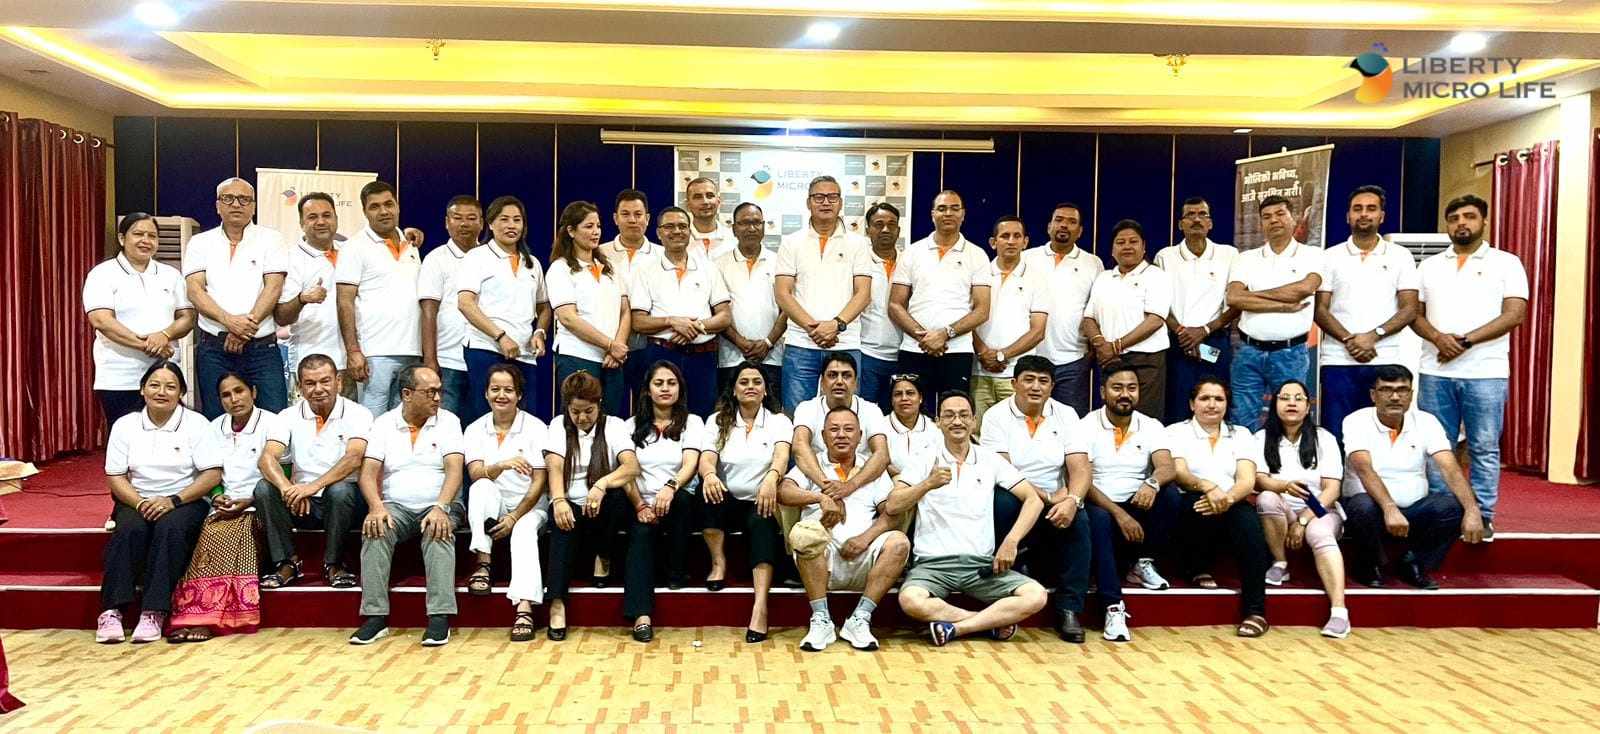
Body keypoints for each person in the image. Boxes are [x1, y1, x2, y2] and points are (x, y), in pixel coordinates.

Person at [890, 390, 1049, 646]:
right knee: (910, 600)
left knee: (1036, 595)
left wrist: (1011, 542)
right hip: (932, 565)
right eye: (949, 415)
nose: (957, 421)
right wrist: (927, 484)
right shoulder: (924, 458)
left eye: (964, 415)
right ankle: (989, 623)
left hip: (981, 566)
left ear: (974, 421)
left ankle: (957, 629)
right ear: (938, 422)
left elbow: (1034, 500)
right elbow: (893, 504)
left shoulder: (989, 459)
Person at [1411, 194, 1528, 541]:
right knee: (1437, 446)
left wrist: (1464, 342)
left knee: (1484, 446)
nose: (1462, 223)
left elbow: (1514, 314)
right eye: (1454, 218)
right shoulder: (1429, 266)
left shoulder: (1507, 263)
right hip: (1435, 370)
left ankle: (1484, 514)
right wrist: (1438, 338)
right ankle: (1443, 512)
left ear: (1484, 221)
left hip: (1486, 372)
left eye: (1469, 216)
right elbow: (1414, 313)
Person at [97, 362, 223, 644]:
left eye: (170, 387)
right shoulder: (126, 425)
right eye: (154, 385)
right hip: (137, 498)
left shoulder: (197, 424)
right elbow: (115, 477)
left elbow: (212, 474)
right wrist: (141, 503)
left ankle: (153, 611)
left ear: (181, 393)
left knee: (170, 529)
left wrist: (173, 500)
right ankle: (111, 611)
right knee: (129, 529)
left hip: (185, 499)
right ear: (142, 389)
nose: (161, 392)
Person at [978, 355, 1093, 642]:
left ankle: (1069, 608)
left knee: (1079, 517)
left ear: (1052, 386)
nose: (1036, 387)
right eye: (1028, 380)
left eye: (1043, 381)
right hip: (1015, 493)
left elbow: (1080, 468)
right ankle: (1008, 590)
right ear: (1014, 383)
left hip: (1056, 499)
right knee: (1001, 502)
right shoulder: (995, 416)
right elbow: (1003, 470)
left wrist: (1072, 499)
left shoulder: (1066, 414)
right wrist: (1046, 496)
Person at [348, 366, 464, 647]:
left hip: (440, 502)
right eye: (430, 392)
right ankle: (375, 617)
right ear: (407, 394)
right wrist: (376, 507)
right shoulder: (383, 424)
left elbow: (455, 471)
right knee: (375, 528)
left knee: (438, 528)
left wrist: (441, 507)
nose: (438, 398)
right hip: (395, 505)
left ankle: (439, 617)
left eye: (439, 391)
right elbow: (367, 474)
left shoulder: (449, 421)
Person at [1342, 365, 1486, 590]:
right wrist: (1389, 508)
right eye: (1386, 390)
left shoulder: (1427, 421)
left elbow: (1449, 467)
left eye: (1402, 390)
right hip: (1372, 510)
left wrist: (1472, 509)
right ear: (1373, 395)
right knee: (1362, 506)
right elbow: (1364, 469)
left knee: (1452, 507)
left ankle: (1414, 562)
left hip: (1413, 511)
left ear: (1411, 395)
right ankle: (1369, 564)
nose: (1395, 397)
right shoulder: (1356, 421)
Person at [781, 406, 909, 652]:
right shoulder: (813, 464)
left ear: (860, 436)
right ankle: (821, 619)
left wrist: (865, 538)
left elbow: (893, 513)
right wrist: (819, 497)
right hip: (821, 557)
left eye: (849, 429)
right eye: (834, 429)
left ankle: (860, 619)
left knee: (899, 543)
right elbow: (784, 491)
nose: (841, 435)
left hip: (865, 555)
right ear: (823, 435)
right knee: (806, 535)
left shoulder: (872, 468)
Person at [167, 373, 277, 642]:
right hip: (222, 507)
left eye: (239, 391)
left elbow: (284, 470)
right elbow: (210, 471)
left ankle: (211, 618)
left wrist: (250, 500)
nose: (234, 399)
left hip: (259, 507)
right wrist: (216, 496)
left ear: (253, 392)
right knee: (208, 537)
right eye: (226, 395)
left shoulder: (272, 424)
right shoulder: (214, 427)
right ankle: (189, 615)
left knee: (235, 537)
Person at [1167, 378, 1273, 637]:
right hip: (1192, 498)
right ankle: (1196, 568)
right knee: (1196, 507)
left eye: (1219, 399)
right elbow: (1179, 473)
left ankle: (1256, 612)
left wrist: (1225, 499)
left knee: (1249, 527)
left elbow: (1246, 481)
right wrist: (1208, 488)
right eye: (1204, 398)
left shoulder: (1242, 434)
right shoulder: (1175, 432)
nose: (1212, 404)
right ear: (1192, 404)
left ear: (1227, 404)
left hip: (1231, 499)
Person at [1081, 367, 1180, 642]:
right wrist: (1118, 513)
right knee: (1099, 518)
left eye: (1131, 388)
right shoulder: (1085, 426)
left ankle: (1142, 562)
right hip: (1099, 503)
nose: (1125, 394)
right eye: (1117, 388)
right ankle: (1112, 607)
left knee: (1169, 495)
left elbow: (1167, 467)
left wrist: (1152, 483)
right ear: (1103, 392)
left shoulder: (1151, 425)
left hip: (1137, 503)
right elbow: (1082, 479)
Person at [1313, 186, 1419, 443]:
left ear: (1382, 216)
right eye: (1357, 209)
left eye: (1371, 209)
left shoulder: (1400, 256)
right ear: (1347, 216)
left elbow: (1409, 308)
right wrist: (1350, 340)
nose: (1364, 214)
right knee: (1336, 433)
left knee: (1381, 434)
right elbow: (1320, 309)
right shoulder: (1329, 257)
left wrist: (1373, 336)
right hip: (1338, 359)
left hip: (1385, 358)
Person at [255, 354, 370, 590]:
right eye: (310, 383)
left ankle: (334, 564)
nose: (318, 389)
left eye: (325, 381)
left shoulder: (358, 413)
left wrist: (313, 487)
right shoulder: (287, 416)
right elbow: (267, 459)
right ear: (300, 387)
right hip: (301, 502)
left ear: (338, 381)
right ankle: (286, 563)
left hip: (344, 502)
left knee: (340, 490)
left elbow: (354, 458)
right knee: (264, 488)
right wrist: (288, 490)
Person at [698, 362, 792, 642]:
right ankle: (718, 563)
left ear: (765, 390)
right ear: (734, 390)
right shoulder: (717, 421)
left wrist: (772, 478)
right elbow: (706, 458)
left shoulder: (778, 421)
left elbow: (782, 457)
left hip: (762, 499)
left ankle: (760, 607)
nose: (750, 386)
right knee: (706, 492)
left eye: (756, 382)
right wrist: (710, 474)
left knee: (762, 522)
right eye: (744, 382)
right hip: (727, 498)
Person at [543, 370, 640, 641]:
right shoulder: (558, 425)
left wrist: (601, 484)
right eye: (575, 412)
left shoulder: (615, 425)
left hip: (601, 503)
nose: (582, 418)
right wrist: (559, 500)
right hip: (570, 501)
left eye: (588, 411)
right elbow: (554, 467)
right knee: (561, 524)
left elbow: (631, 467)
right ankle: (557, 604)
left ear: (599, 404)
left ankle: (603, 555)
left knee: (617, 497)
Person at [183, 177, 289, 418]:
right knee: (217, 419)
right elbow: (195, 290)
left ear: (253, 206)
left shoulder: (272, 239)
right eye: (228, 198)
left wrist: (243, 330)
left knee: (274, 418)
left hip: (261, 348)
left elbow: (273, 287)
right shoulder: (200, 242)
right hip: (214, 349)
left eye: (244, 199)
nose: (236, 204)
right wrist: (229, 321)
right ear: (217, 205)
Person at [1253, 380, 1350, 638]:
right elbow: (1260, 480)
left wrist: (1303, 520)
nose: (1292, 403)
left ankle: (1339, 612)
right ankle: (1280, 562)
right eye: (1285, 398)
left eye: (1298, 398)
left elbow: (1332, 489)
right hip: (1281, 504)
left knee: (1319, 533)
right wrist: (1283, 486)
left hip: (1319, 509)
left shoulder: (1324, 438)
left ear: (1308, 407)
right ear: (1275, 404)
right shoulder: (1261, 438)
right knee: (1266, 498)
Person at [462, 364, 549, 642]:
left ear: (519, 395)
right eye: (495, 389)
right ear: (486, 393)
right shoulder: (475, 429)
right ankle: (483, 564)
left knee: (523, 530)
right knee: (481, 487)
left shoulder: (536, 427)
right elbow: (475, 473)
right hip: (495, 504)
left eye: (508, 390)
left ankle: (524, 607)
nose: (501, 395)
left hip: (530, 506)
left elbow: (540, 482)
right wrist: (501, 465)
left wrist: (514, 516)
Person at [1225, 194, 1326, 431]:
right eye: (1267, 216)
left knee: (1290, 420)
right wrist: (1282, 305)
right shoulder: (1246, 258)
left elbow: (1303, 290)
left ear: (1294, 218)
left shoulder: (1313, 255)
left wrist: (1253, 296)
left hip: (1290, 354)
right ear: (1261, 223)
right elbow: (1234, 298)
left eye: (1280, 214)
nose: (1274, 220)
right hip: (1248, 352)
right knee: (1242, 420)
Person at [84, 212, 196, 425]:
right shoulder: (102, 274)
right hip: (120, 375)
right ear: (122, 238)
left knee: (168, 432)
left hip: (164, 373)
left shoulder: (171, 275)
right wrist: (149, 346)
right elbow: (101, 320)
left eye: (152, 236)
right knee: (125, 434)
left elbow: (187, 318)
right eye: (138, 234)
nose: (146, 240)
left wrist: (165, 335)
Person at [774, 175, 873, 413]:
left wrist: (836, 325)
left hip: (845, 342)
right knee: (797, 415)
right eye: (819, 197)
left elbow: (863, 293)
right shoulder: (791, 242)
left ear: (841, 202)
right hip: (801, 343)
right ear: (808, 202)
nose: (826, 202)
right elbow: (783, 293)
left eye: (832, 197)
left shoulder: (858, 243)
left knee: (844, 417)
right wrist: (814, 329)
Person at [889, 190, 990, 415]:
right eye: (942, 208)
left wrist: (944, 334)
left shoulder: (977, 255)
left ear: (963, 214)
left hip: (957, 351)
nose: (948, 213)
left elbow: (982, 310)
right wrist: (924, 338)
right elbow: (895, 304)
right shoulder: (912, 252)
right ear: (932, 214)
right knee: (912, 416)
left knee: (954, 415)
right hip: (914, 349)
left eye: (954, 208)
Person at [456, 195, 550, 423]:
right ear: (490, 223)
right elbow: (465, 303)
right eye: (504, 219)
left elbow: (544, 306)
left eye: (517, 220)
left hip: (524, 353)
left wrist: (540, 332)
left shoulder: (532, 263)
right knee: (486, 419)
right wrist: (500, 336)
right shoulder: (477, 257)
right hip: (486, 349)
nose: (511, 225)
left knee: (526, 420)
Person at [631, 207, 731, 416]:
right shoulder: (645, 269)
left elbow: (724, 317)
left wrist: (695, 327)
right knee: (658, 417)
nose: (677, 231)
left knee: (702, 418)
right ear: (658, 233)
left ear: (689, 231)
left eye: (682, 226)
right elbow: (638, 322)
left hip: (702, 358)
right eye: (669, 226)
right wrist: (672, 322)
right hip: (661, 356)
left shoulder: (708, 268)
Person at [336, 181, 423, 416]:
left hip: (413, 350)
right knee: (371, 422)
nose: (383, 211)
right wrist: (353, 351)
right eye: (374, 207)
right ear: (364, 212)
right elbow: (344, 301)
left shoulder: (411, 243)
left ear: (398, 206)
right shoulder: (354, 247)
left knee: (403, 422)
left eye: (389, 204)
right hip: (374, 352)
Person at [1153, 197, 1238, 421]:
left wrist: (1204, 331)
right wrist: (1183, 334)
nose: (1197, 219)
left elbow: (1236, 303)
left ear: (1210, 223)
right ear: (1180, 224)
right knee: (1177, 406)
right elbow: (1157, 303)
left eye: (1202, 214)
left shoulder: (1229, 254)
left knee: (1216, 403)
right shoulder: (1165, 256)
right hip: (1178, 342)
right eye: (1190, 215)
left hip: (1214, 341)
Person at [625, 361, 703, 605]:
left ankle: (676, 573)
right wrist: (640, 505)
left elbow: (690, 464)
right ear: (648, 390)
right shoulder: (630, 426)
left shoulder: (693, 422)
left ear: (680, 388)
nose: (665, 388)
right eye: (658, 383)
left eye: (671, 383)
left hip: (677, 498)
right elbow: (625, 472)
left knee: (682, 500)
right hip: (640, 503)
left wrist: (670, 487)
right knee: (640, 533)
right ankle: (640, 613)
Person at [1082, 219, 1173, 420]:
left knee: (1145, 419)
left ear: (1144, 247)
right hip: (1109, 359)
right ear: (1112, 249)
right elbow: (1088, 319)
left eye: (1133, 241)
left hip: (1145, 360)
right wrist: (1101, 344)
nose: (1127, 246)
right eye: (1120, 242)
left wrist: (1116, 346)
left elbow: (1155, 320)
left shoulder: (1156, 276)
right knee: (1112, 417)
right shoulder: (1104, 277)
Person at [548, 201, 631, 416]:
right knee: (579, 419)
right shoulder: (560, 268)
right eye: (588, 226)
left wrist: (618, 347)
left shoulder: (610, 267)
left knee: (610, 421)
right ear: (571, 231)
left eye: (598, 226)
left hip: (612, 359)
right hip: (578, 355)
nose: (596, 232)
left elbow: (625, 310)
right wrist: (609, 345)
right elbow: (568, 318)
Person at [1025, 202, 1103, 415]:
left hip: (1073, 359)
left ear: (1080, 231)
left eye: (1071, 222)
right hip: (1030, 356)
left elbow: (1096, 311)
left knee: (1071, 422)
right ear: (1049, 226)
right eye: (1058, 220)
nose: (1064, 225)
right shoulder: (1027, 258)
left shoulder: (1093, 263)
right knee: (1029, 420)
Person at [972, 216, 1047, 421]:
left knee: (1018, 430)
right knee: (976, 433)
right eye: (1005, 236)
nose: (1011, 241)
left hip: (1017, 374)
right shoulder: (978, 274)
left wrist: (1002, 355)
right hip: (978, 372)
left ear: (1025, 242)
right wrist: (983, 353)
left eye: (1017, 236)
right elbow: (967, 320)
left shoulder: (1038, 279)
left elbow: (1038, 331)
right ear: (993, 242)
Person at [791, 352, 892, 501]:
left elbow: (882, 455)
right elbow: (799, 447)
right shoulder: (807, 408)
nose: (839, 381)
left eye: (846, 376)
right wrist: (830, 489)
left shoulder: (871, 410)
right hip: (818, 482)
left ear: (856, 383)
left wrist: (849, 486)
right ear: (822, 382)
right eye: (832, 375)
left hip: (862, 483)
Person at [418, 195, 483, 417]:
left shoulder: (490, 259)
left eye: (471, 218)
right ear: (447, 222)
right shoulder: (436, 259)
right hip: (448, 360)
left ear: (482, 223)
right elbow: (428, 311)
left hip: (483, 359)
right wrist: (430, 360)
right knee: (445, 425)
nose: (464, 224)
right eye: (457, 218)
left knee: (481, 427)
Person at [275, 194, 348, 392]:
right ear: (301, 223)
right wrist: (302, 299)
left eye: (327, 215)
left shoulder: (351, 251)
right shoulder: (290, 259)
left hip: (352, 361)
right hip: (310, 364)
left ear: (336, 219)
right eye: (312, 217)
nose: (321, 222)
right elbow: (282, 317)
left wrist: (406, 236)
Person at [713, 202, 786, 396]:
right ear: (734, 228)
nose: (751, 228)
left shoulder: (780, 262)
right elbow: (716, 311)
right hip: (731, 357)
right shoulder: (718, 264)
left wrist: (768, 342)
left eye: (756, 222)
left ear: (764, 226)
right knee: (729, 410)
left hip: (772, 356)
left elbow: (787, 309)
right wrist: (740, 342)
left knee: (771, 410)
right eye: (744, 223)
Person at [598, 189, 657, 411]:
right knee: (609, 410)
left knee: (649, 410)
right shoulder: (598, 253)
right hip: (607, 346)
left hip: (649, 346)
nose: (632, 220)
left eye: (638, 214)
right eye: (625, 214)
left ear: (647, 218)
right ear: (615, 218)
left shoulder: (662, 255)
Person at [857, 203, 904, 411]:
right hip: (866, 354)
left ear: (898, 230)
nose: (885, 229)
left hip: (903, 354)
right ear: (868, 229)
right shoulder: (858, 262)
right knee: (863, 414)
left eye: (891, 224)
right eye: (879, 224)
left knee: (896, 416)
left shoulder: (910, 261)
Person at [883, 373, 938, 475]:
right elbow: (877, 462)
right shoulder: (880, 427)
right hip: (891, 482)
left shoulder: (934, 428)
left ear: (920, 398)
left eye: (910, 393)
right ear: (891, 400)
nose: (904, 398)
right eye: (898, 394)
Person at [685, 176, 736, 261]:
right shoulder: (679, 239)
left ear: (718, 201)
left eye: (710, 196)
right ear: (688, 205)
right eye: (698, 197)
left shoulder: (734, 239)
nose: (705, 202)